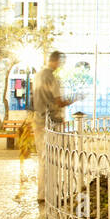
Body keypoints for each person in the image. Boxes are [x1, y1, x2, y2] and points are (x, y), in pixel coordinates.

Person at [31, 51, 78, 204]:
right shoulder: (52, 78)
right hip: (51, 122)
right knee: (51, 158)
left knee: (42, 158)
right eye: (61, 61)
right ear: (56, 61)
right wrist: (72, 100)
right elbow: (59, 101)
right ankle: (48, 194)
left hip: (38, 119)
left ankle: (42, 193)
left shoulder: (38, 75)